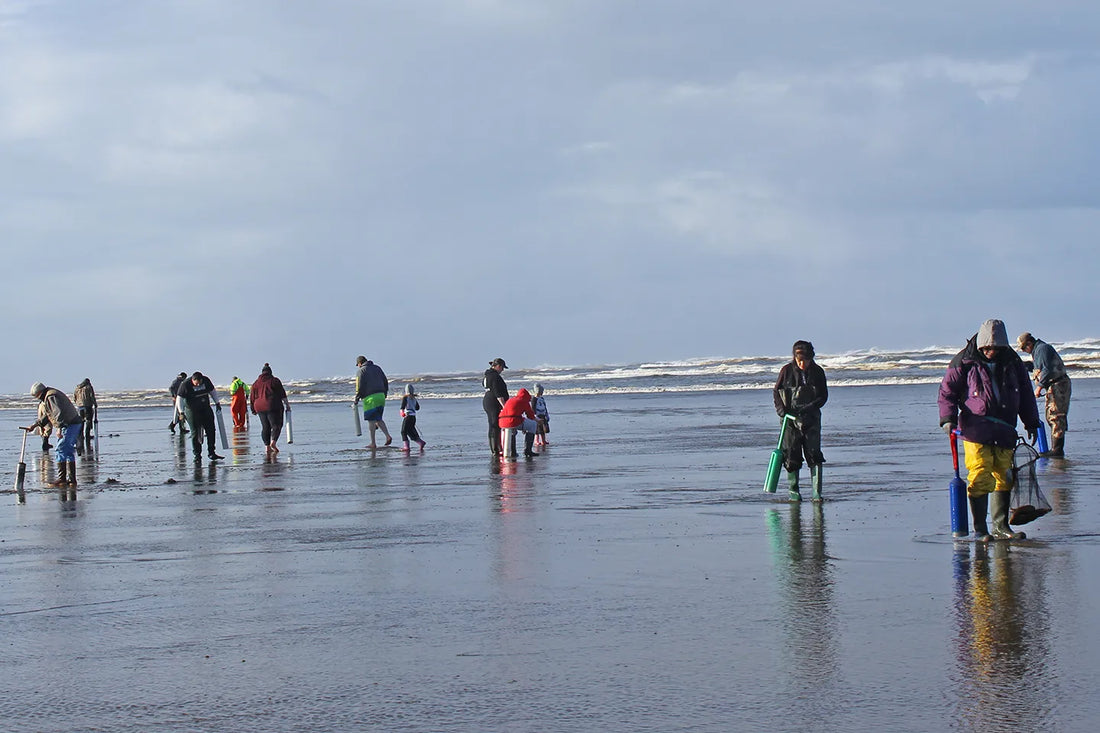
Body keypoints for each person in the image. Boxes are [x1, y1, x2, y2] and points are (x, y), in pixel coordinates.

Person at [939, 320, 1040, 541]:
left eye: (995, 348)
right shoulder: (963, 361)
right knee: (979, 473)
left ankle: (1001, 526)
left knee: (1004, 474)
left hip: (1005, 428)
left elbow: (1025, 393)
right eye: (986, 348)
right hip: (976, 429)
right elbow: (947, 392)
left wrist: (1032, 422)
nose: (990, 352)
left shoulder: (1013, 362)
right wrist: (947, 419)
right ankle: (980, 530)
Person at [773, 340, 828, 502]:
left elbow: (823, 396)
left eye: (805, 360)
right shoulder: (786, 371)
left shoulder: (818, 372)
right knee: (791, 455)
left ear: (811, 358)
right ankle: (794, 492)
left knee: (814, 454)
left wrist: (810, 407)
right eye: (799, 360)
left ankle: (817, 493)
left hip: (811, 419)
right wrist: (781, 410)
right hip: (789, 420)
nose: (802, 364)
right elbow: (776, 392)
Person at [1017, 332, 1070, 457]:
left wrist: (1039, 388)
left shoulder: (1042, 349)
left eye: (1024, 348)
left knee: (1056, 416)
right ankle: (1055, 448)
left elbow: (1046, 369)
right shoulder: (1038, 351)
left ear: (1029, 343)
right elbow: (1039, 367)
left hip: (1058, 385)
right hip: (1053, 386)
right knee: (1051, 416)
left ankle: (1057, 450)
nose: (1024, 351)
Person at [24, 382, 82, 486]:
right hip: (72, 423)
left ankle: (62, 479)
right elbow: (48, 415)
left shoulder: (50, 397)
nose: (37, 398)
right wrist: (35, 425)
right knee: (68, 451)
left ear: (39, 393)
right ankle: (71, 480)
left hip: (69, 424)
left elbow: (58, 413)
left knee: (61, 449)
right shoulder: (50, 395)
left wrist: (59, 428)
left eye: (36, 396)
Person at [176, 371, 224, 462]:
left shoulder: (206, 381)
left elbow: (212, 391)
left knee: (211, 430)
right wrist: (181, 412)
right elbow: (180, 399)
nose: (198, 385)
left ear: (202, 380)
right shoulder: (185, 384)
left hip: (205, 408)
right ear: (193, 380)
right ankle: (197, 455)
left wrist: (217, 403)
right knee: (195, 433)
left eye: (199, 383)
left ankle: (211, 452)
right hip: (192, 411)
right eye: (196, 383)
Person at [250, 363, 290, 455]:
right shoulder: (275, 381)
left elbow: (252, 398)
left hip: (259, 406)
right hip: (272, 405)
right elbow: (282, 394)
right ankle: (273, 442)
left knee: (265, 427)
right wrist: (287, 405)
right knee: (276, 425)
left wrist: (253, 409)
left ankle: (267, 447)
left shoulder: (255, 383)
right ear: (270, 372)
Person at [354, 356, 392, 448]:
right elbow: (385, 381)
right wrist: (385, 393)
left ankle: (373, 443)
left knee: (371, 420)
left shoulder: (361, 371)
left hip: (370, 397)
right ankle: (387, 436)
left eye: (358, 365)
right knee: (378, 419)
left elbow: (360, 386)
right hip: (381, 396)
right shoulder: (377, 368)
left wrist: (357, 398)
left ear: (360, 363)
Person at [498, 387, 541, 457]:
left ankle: (512, 452)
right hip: (513, 421)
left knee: (512, 432)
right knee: (533, 425)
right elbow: (530, 416)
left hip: (502, 421)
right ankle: (528, 450)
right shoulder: (524, 401)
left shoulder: (511, 400)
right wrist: (538, 420)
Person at [482, 358, 509, 456]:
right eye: (502, 368)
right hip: (493, 402)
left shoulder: (487, 375)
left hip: (488, 401)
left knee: (493, 424)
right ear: (498, 366)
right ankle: (495, 449)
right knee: (494, 424)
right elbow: (498, 393)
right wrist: (504, 406)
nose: (502, 370)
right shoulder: (494, 376)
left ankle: (496, 448)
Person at [399, 384, 427, 452]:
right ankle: (420, 442)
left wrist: (402, 412)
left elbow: (402, 407)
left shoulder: (405, 398)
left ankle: (406, 447)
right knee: (410, 431)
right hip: (413, 417)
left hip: (408, 416)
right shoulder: (414, 398)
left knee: (403, 431)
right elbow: (417, 408)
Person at [73, 378, 98, 451]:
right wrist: (95, 404)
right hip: (87, 406)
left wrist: (77, 403)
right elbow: (91, 396)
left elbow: (74, 397)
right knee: (88, 420)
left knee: (81, 421)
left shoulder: (77, 388)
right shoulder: (88, 387)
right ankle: (87, 435)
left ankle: (81, 435)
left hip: (79, 407)